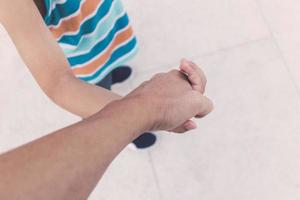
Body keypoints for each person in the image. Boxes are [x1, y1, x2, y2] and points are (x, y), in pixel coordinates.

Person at [0, 63, 213, 199]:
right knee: (93, 80)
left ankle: (109, 74)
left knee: (104, 70)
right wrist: (146, 109)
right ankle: (126, 130)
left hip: (102, 37)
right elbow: (61, 84)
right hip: (78, 62)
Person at [32, 0, 157, 149]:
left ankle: (107, 74)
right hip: (83, 50)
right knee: (95, 99)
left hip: (99, 22)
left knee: (106, 60)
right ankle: (121, 131)